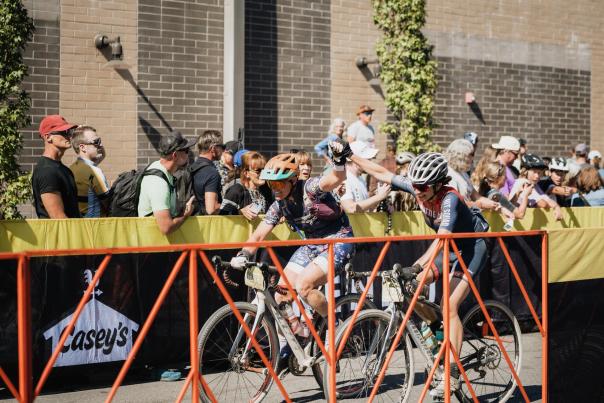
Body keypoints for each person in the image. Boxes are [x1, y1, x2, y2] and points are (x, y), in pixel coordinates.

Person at [349, 151, 490, 395]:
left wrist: (417, 266)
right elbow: (381, 172)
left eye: (423, 186)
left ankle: (453, 373)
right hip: (449, 248)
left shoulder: (450, 199)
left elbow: (440, 240)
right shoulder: (419, 188)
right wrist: (351, 155)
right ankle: (437, 327)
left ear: (437, 184)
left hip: (470, 248)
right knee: (411, 286)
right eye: (415, 185)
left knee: (449, 303)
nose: (418, 190)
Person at [229, 144, 352, 374]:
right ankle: (301, 333)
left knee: (304, 285)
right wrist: (242, 254)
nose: (274, 189)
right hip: (313, 244)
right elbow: (258, 234)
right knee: (280, 293)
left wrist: (338, 158)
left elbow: (336, 177)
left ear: (293, 180)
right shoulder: (278, 205)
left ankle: (333, 325)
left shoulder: (311, 189)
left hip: (338, 240)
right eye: (271, 184)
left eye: (279, 183)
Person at [137, 131, 196, 234]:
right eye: (186, 150)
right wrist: (186, 215)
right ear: (175, 155)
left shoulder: (160, 168)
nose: (188, 154)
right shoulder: (158, 183)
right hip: (153, 245)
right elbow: (166, 228)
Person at [31, 115, 80, 219]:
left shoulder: (65, 170)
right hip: (59, 234)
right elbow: (58, 217)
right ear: (48, 137)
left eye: (69, 132)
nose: (69, 136)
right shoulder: (47, 171)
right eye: (63, 132)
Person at [443, 139, 504, 214]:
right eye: (471, 154)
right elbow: (455, 204)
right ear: (462, 155)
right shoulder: (449, 175)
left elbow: (476, 196)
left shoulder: (463, 173)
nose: (473, 158)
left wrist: (493, 204)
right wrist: (481, 205)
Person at [69, 126, 111, 217]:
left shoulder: (72, 168)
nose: (101, 145)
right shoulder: (94, 172)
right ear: (83, 147)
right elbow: (109, 204)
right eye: (96, 142)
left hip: (80, 224)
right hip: (96, 226)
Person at [508, 154, 563, 221]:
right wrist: (553, 206)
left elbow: (547, 199)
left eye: (539, 173)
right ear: (525, 172)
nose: (537, 176)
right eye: (534, 172)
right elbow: (542, 204)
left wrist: (557, 207)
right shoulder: (523, 182)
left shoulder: (534, 184)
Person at [340, 142, 390, 213]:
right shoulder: (344, 179)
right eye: (367, 159)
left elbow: (365, 209)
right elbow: (350, 208)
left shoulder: (360, 179)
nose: (369, 163)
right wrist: (379, 196)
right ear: (354, 159)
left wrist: (380, 201)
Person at [219, 151, 271, 219]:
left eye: (264, 170)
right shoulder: (236, 191)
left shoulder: (266, 190)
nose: (262, 173)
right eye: (258, 171)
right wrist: (240, 212)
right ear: (246, 173)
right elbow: (222, 218)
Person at [191, 130, 223, 215]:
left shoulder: (192, 168)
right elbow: (211, 209)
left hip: (190, 222)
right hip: (206, 225)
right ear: (213, 148)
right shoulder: (212, 173)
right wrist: (229, 205)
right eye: (222, 147)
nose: (223, 150)